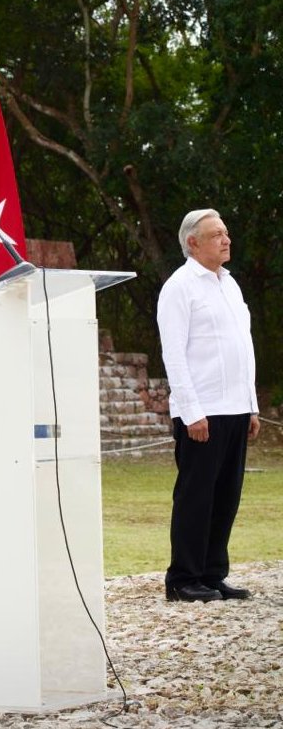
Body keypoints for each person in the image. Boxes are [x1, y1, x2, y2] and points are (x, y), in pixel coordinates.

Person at [157, 209, 260, 604]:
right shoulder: (180, 287)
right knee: (196, 495)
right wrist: (190, 410)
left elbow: (242, 348)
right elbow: (174, 354)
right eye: (216, 234)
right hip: (202, 411)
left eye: (226, 232)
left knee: (226, 495)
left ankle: (214, 573)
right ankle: (184, 577)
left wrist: (250, 404)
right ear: (193, 243)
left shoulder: (229, 285)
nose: (226, 239)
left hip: (235, 406)